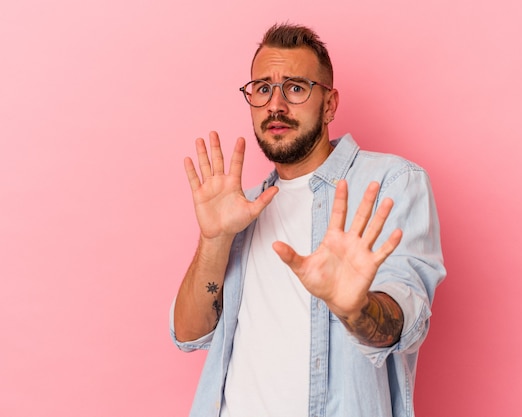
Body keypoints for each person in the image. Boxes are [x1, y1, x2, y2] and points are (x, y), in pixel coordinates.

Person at [170, 23, 446, 417]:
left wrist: (356, 308)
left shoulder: (391, 183)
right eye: (262, 88)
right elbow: (189, 335)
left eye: (296, 88)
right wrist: (213, 239)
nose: (275, 105)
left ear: (330, 104)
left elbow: (406, 320)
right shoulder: (241, 208)